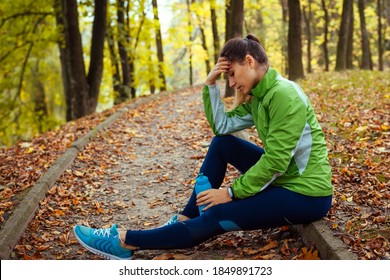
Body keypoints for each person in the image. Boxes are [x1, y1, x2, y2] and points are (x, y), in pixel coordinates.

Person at [73, 34, 333, 260]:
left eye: (231, 74)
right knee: (223, 144)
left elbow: (275, 162)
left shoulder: (283, 95)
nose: (231, 83)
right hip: (286, 178)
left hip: (306, 194)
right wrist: (210, 84)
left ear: (250, 62)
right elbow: (222, 126)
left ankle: (124, 241)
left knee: (218, 213)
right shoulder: (261, 97)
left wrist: (230, 192)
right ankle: (185, 219)